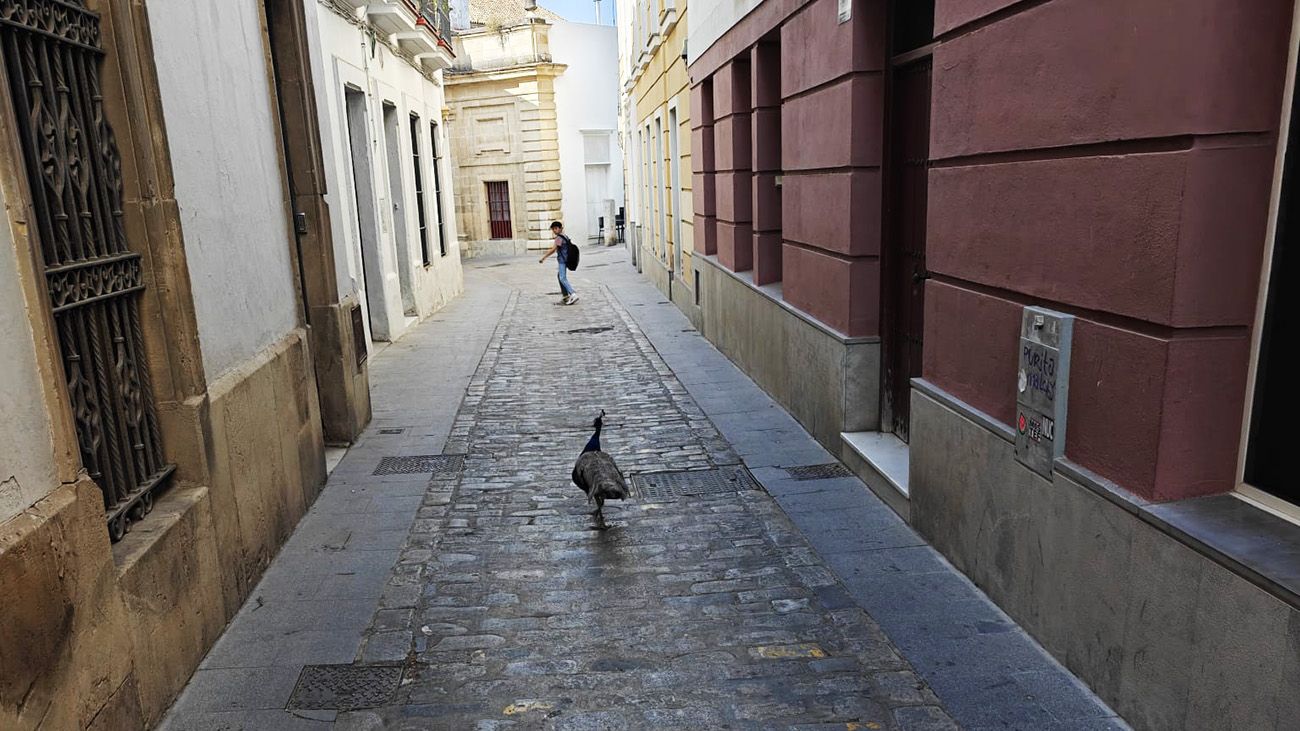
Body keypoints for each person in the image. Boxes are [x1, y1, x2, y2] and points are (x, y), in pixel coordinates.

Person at [539, 220, 579, 305]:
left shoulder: (558, 238)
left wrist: (543, 258)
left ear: (560, 228)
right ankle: (565, 296)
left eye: (556, 228)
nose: (554, 230)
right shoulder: (565, 236)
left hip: (562, 261)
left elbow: (553, 249)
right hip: (566, 259)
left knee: (562, 278)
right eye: (553, 229)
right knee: (559, 276)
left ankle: (573, 294)